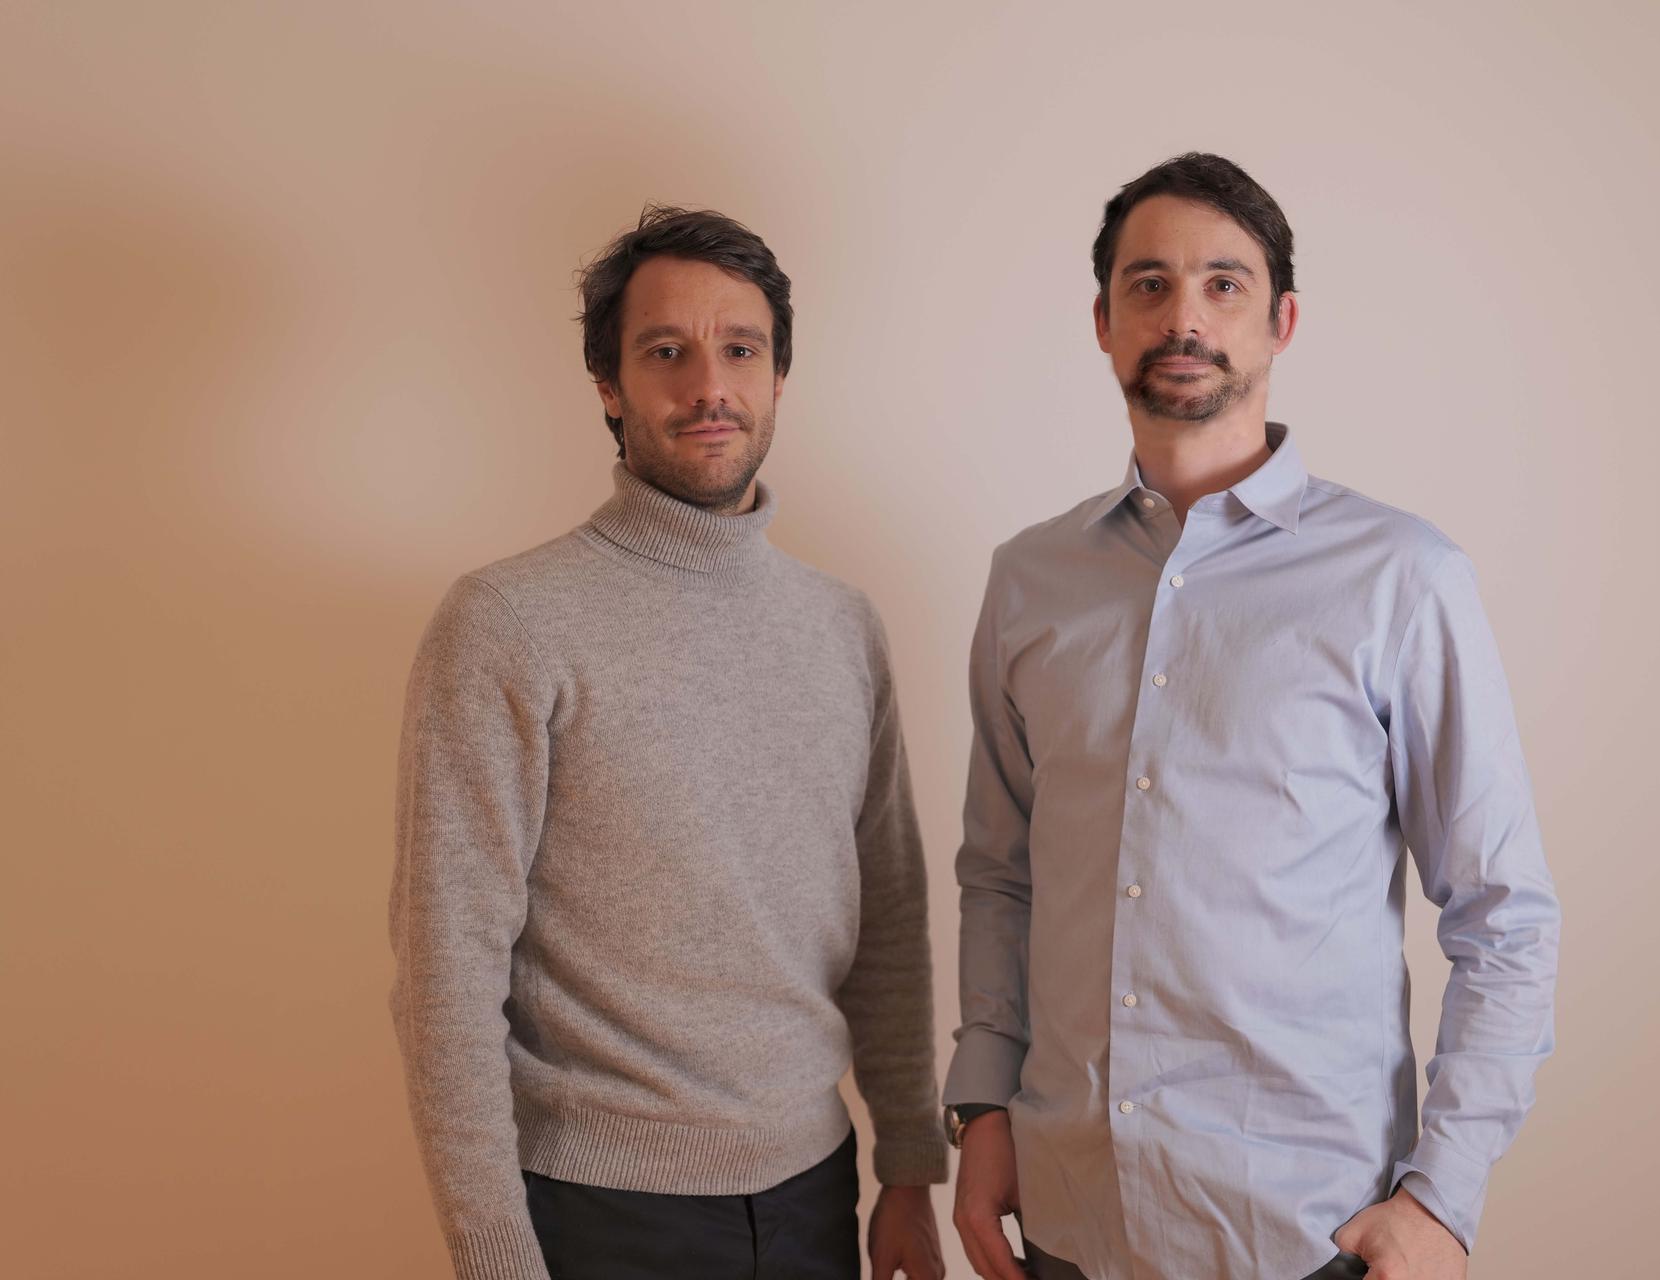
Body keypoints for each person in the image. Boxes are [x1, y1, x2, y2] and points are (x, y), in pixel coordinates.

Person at [943, 154, 1560, 1280]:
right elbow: (1002, 873)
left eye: (1223, 284)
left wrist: (1443, 1197)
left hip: (1306, 1234)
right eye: (1148, 284)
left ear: (1282, 321)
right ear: (1103, 322)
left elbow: (1503, 914)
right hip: (1070, 1223)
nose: (1184, 317)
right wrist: (984, 1103)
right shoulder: (1028, 579)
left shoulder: (1402, 577)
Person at [389, 206, 947, 1280]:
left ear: (780, 376)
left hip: (817, 1191)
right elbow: (445, 970)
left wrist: (911, 1163)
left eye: (740, 349)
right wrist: (494, 1254)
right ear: (609, 384)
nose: (708, 387)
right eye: (665, 352)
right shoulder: (507, 621)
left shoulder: (843, 626)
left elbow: (887, 914)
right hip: (598, 1211)